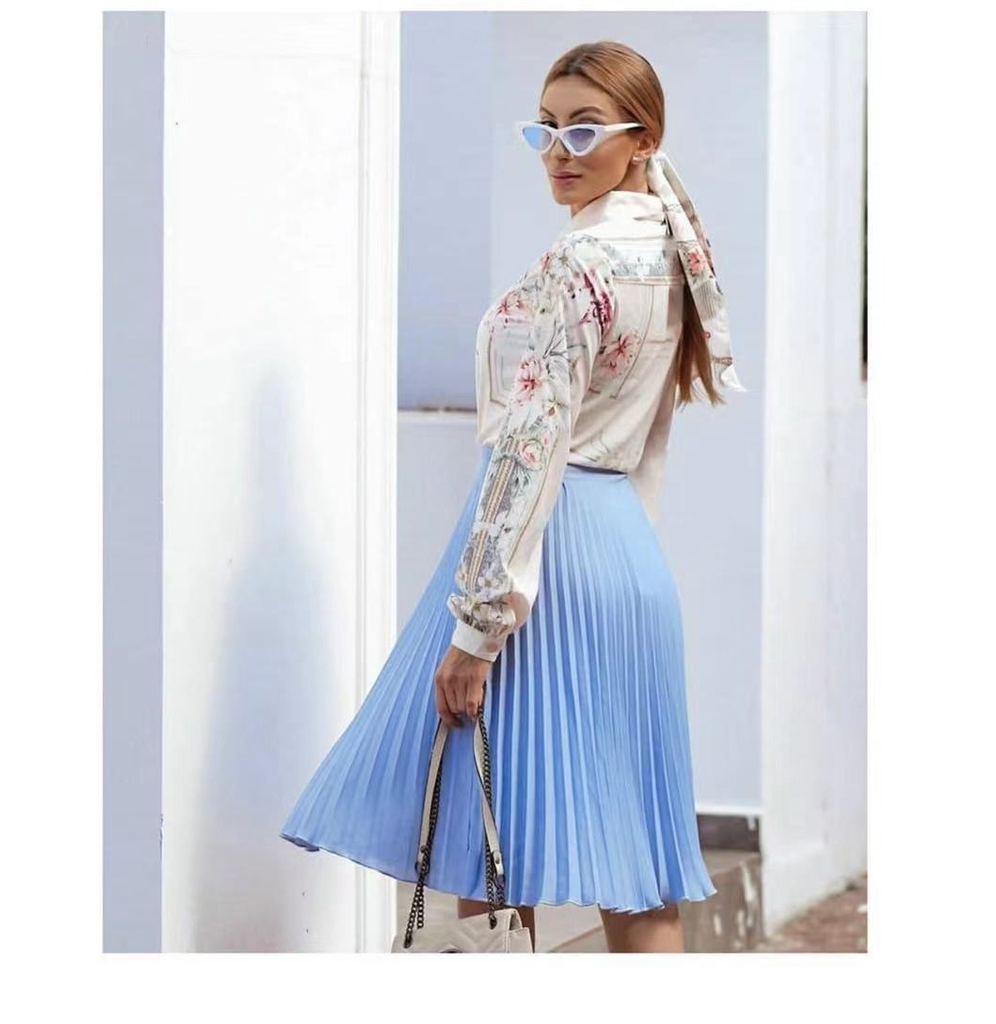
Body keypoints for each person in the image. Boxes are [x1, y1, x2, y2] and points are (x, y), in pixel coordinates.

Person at [280, 39, 744, 954]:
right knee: (638, 874)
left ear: (642, 139)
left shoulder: (577, 266)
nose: (559, 153)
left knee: (486, 850)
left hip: (543, 563)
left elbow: (529, 455)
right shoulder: (672, 259)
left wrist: (476, 631)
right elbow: (646, 437)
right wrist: (616, 548)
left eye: (584, 130)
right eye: (546, 130)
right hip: (623, 559)